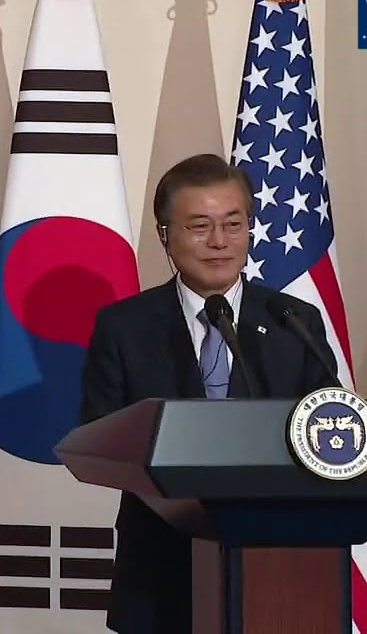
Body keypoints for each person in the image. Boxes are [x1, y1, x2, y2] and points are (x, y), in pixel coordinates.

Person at [79, 153, 338, 634]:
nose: (220, 242)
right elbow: (99, 436)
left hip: (281, 568)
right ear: (165, 236)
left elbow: (332, 428)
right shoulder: (125, 327)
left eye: (233, 224)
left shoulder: (294, 321)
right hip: (161, 571)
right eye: (200, 226)